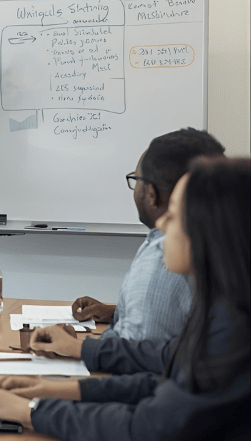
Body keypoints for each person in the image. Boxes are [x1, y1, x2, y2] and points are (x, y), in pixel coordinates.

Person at [0, 157, 250, 441]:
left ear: (211, 231)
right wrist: (52, 389)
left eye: (173, 216)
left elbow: (143, 431)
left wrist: (32, 412)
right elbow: (161, 381)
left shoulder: (234, 330)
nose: (161, 224)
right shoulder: (225, 310)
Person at [71, 128, 224, 341]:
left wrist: (79, 348)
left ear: (151, 194)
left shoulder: (163, 255)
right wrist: (116, 312)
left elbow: (137, 352)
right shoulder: (221, 243)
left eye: (136, 180)